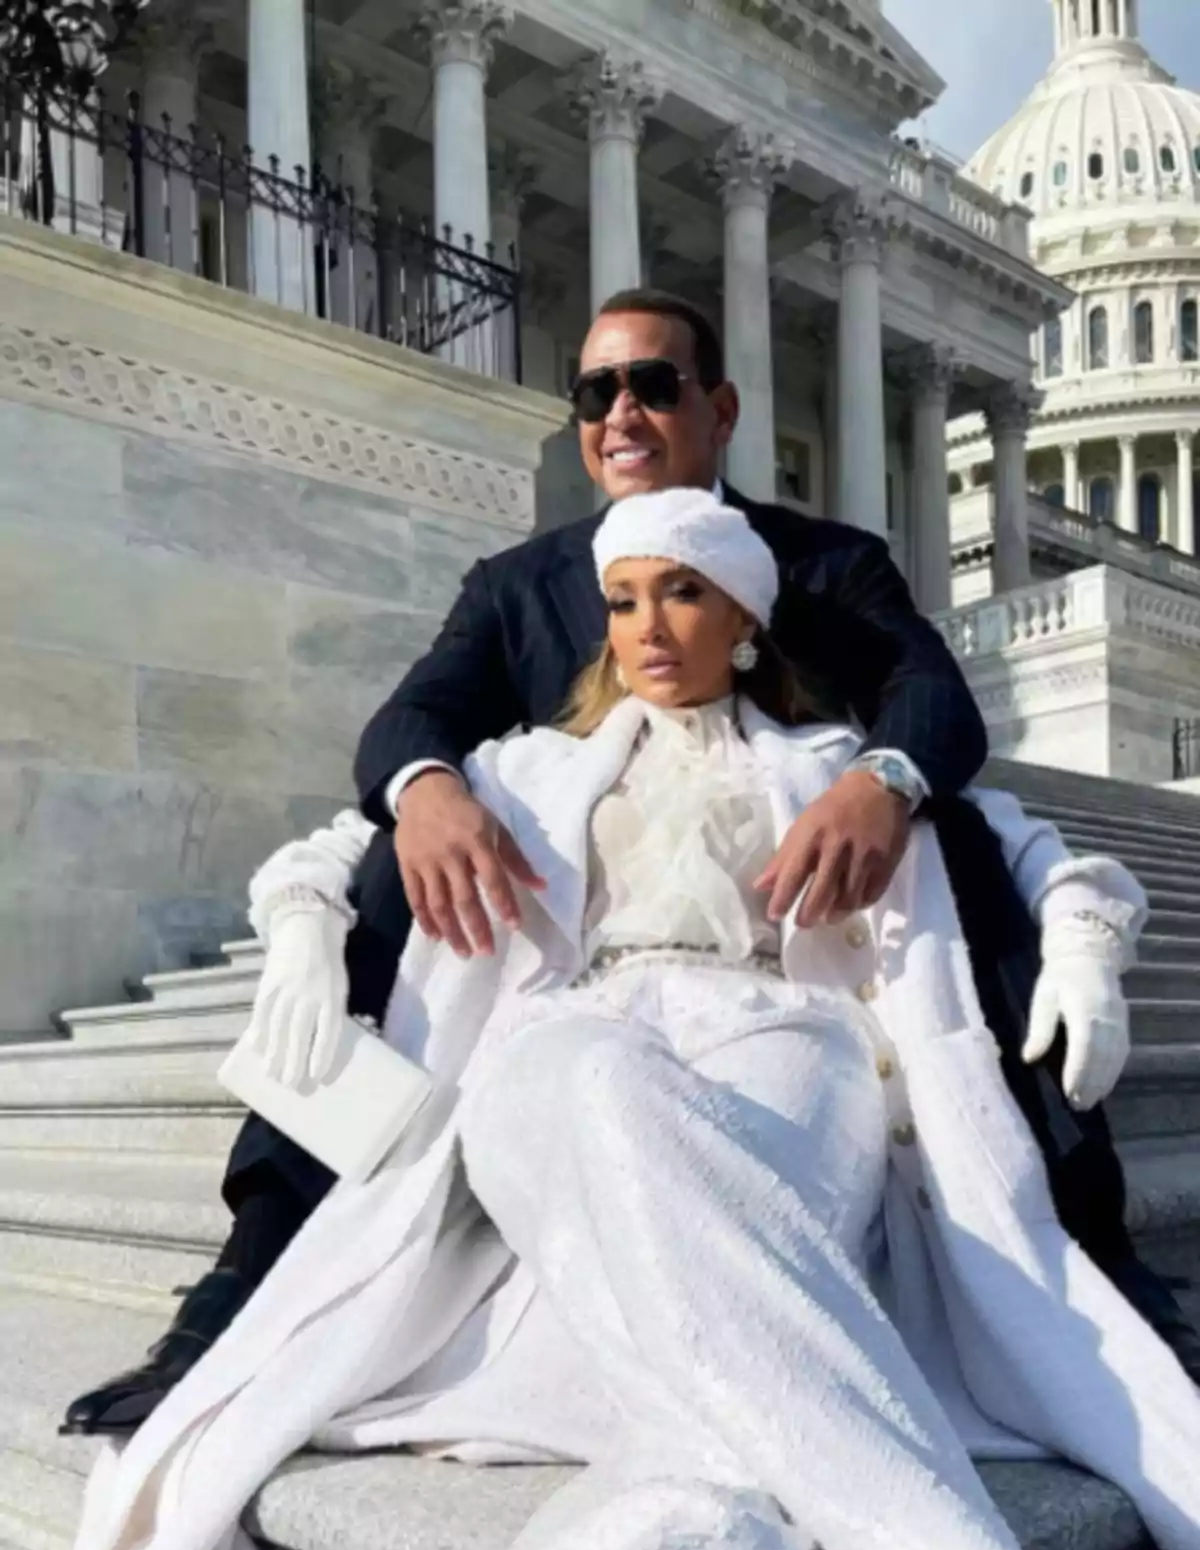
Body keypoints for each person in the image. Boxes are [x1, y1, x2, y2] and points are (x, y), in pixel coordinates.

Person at [61, 287, 1200, 1440]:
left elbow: (932, 702)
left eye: (654, 384)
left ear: (720, 408)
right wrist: (432, 789)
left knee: (953, 836)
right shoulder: (520, 584)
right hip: (574, 971)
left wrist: (881, 779)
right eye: (597, 390)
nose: (622, 412)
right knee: (389, 859)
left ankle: (1101, 1266)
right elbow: (412, 719)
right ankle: (242, 1281)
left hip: (789, 963)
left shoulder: (823, 565)